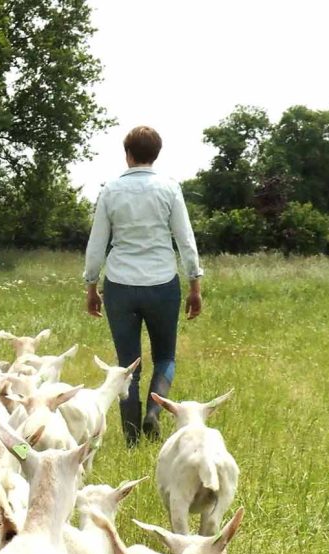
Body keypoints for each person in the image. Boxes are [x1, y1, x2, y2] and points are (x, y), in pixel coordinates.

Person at [83, 126, 204, 447]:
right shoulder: (170, 189)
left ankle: (132, 438)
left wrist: (91, 285)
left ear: (128, 154)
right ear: (157, 154)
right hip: (162, 283)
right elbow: (185, 239)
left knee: (127, 364)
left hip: (121, 284)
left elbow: (97, 244)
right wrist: (195, 284)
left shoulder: (110, 190)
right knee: (165, 356)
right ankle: (154, 411)